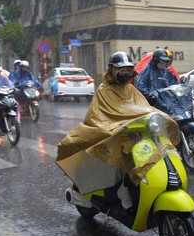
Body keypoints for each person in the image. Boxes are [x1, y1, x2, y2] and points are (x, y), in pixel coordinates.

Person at [56, 51, 179, 209]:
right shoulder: (103, 91)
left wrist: (158, 116)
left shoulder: (130, 89)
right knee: (123, 155)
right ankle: (123, 189)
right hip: (111, 134)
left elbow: (142, 108)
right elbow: (100, 117)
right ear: (112, 71)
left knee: (152, 152)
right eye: (121, 70)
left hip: (132, 131)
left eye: (128, 70)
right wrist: (116, 127)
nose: (125, 74)